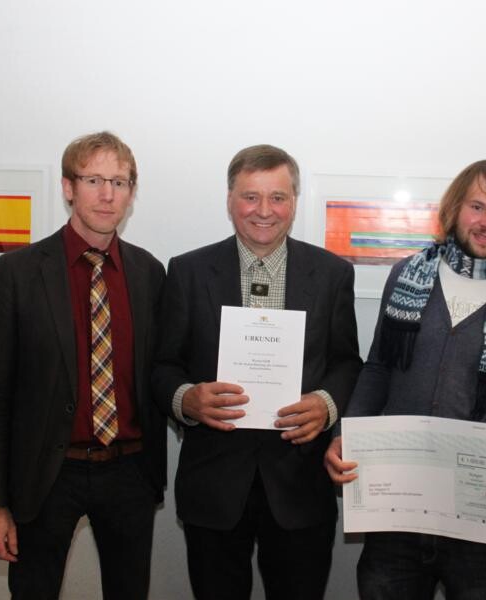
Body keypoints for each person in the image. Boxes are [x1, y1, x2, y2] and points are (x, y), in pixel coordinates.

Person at [325, 159, 486, 599]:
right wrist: (345, 435)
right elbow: (378, 368)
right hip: (396, 510)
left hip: (481, 512)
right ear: (454, 210)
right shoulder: (405, 277)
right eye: (478, 206)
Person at [152, 144, 362, 600]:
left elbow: (347, 361)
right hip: (214, 484)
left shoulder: (332, 273)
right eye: (251, 196)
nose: (264, 211)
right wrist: (186, 399)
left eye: (278, 197)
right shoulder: (187, 271)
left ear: (294, 202)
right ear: (230, 200)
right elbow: (163, 365)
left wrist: (326, 405)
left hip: (300, 483)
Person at [0, 131, 166, 599]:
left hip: (129, 470)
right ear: (68, 187)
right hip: (46, 474)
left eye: (119, 182)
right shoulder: (17, 273)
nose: (107, 194)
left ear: (132, 192)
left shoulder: (149, 273)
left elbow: (162, 373)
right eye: (94, 180)